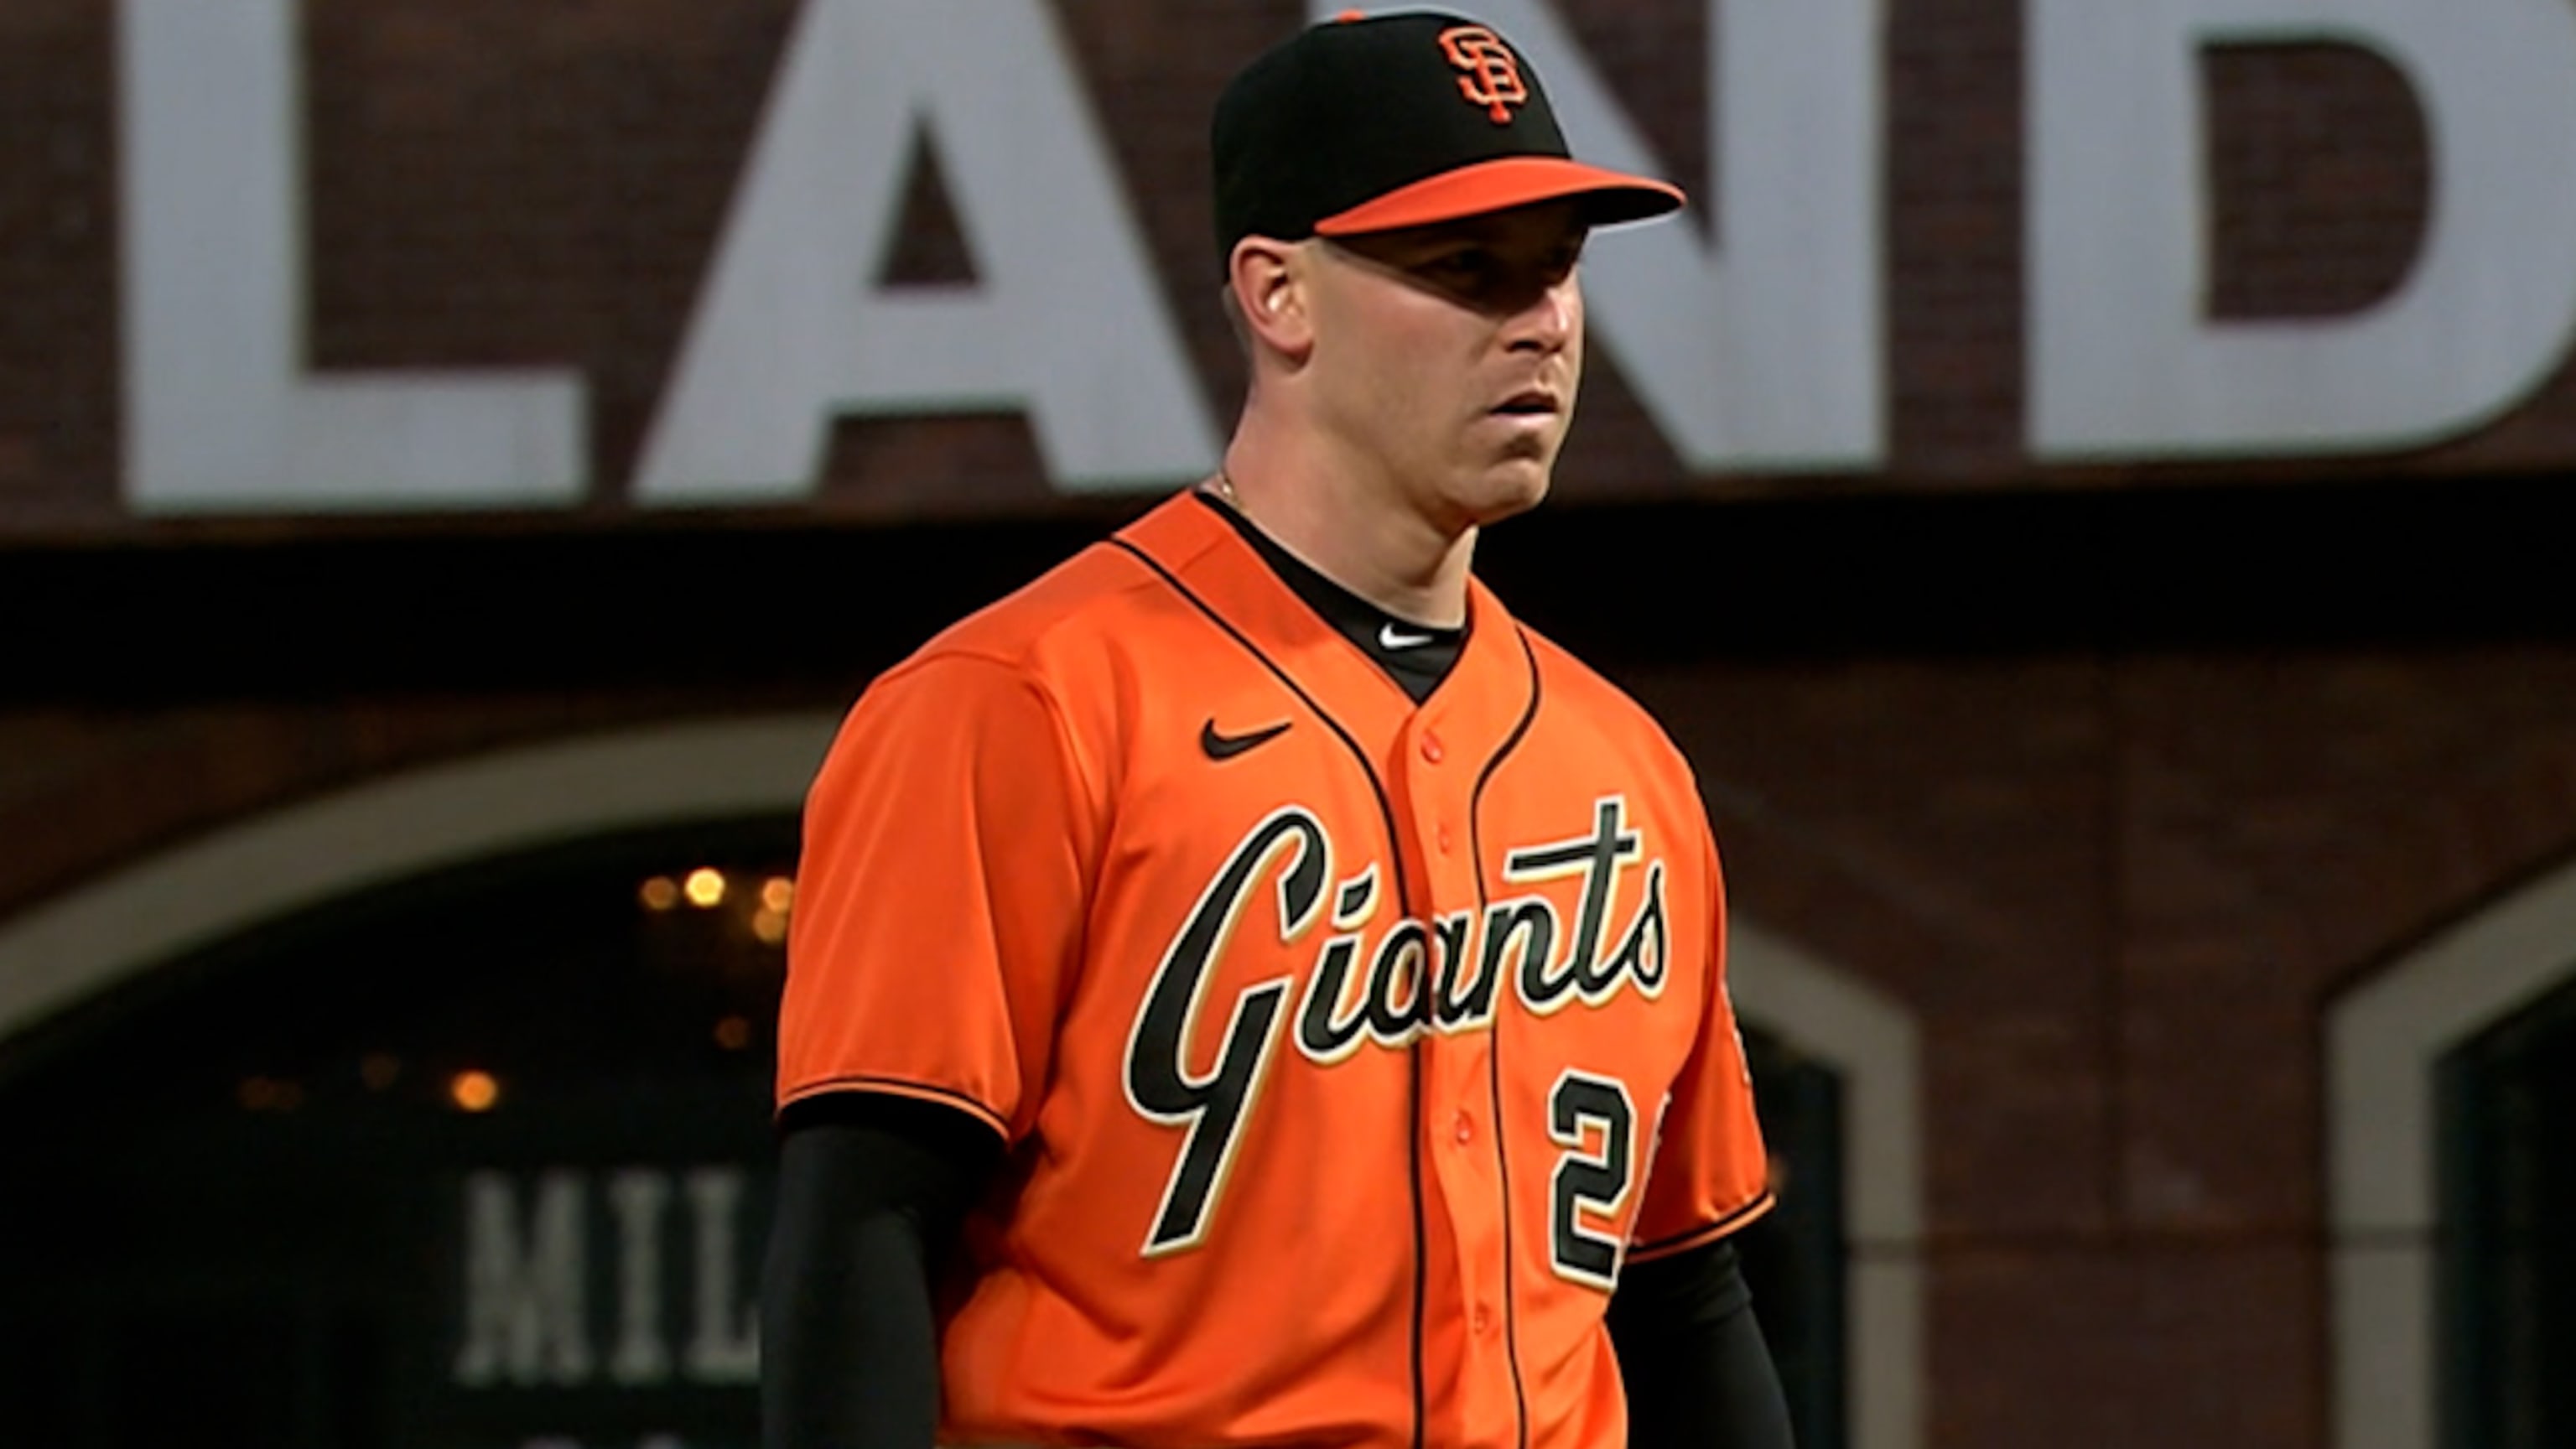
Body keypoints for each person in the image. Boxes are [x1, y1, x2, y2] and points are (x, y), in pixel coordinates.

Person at [761, 11, 1796, 1449]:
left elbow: (1684, 1294)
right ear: (1278, 295)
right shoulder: (1024, 703)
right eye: (1462, 269)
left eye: (1557, 267)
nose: (1539, 321)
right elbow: (860, 1233)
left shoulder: (1621, 767)